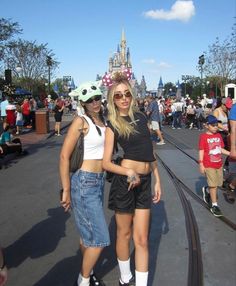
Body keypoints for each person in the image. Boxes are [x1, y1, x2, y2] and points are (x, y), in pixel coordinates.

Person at [102, 71, 162, 286]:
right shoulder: (112, 124)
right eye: (118, 95)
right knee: (125, 234)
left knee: (142, 239)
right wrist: (128, 172)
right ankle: (125, 277)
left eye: (127, 93)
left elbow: (150, 151)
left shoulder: (143, 117)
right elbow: (106, 163)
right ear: (112, 99)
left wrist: (157, 178)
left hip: (145, 182)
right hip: (126, 183)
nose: (124, 98)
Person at [59, 81, 110, 286]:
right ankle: (83, 279)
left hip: (98, 181)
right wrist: (66, 189)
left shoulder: (103, 120)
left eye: (97, 98)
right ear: (83, 102)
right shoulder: (80, 121)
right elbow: (64, 156)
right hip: (84, 181)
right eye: (89, 100)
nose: (95, 102)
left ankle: (88, 272)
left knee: (87, 236)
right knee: (101, 237)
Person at [199, 115, 230, 217]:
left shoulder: (218, 136)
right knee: (213, 185)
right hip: (209, 164)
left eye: (217, 125)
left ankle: (207, 189)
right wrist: (201, 164)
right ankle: (215, 205)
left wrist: (231, 154)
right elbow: (201, 151)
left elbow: (221, 149)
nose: (216, 127)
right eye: (213, 125)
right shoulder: (204, 137)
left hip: (219, 164)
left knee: (218, 184)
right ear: (207, 126)